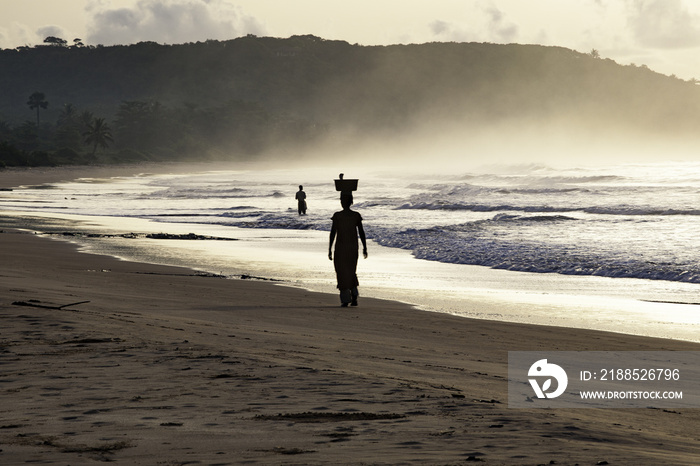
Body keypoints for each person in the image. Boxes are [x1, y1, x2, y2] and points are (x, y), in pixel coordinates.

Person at [328, 192, 368, 307]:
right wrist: (365, 247)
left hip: (341, 248)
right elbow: (361, 232)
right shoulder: (355, 215)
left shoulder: (338, 216)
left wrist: (330, 248)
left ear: (341, 203)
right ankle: (354, 295)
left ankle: (346, 299)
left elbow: (333, 233)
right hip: (353, 248)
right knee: (351, 271)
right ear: (352, 202)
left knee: (341, 272)